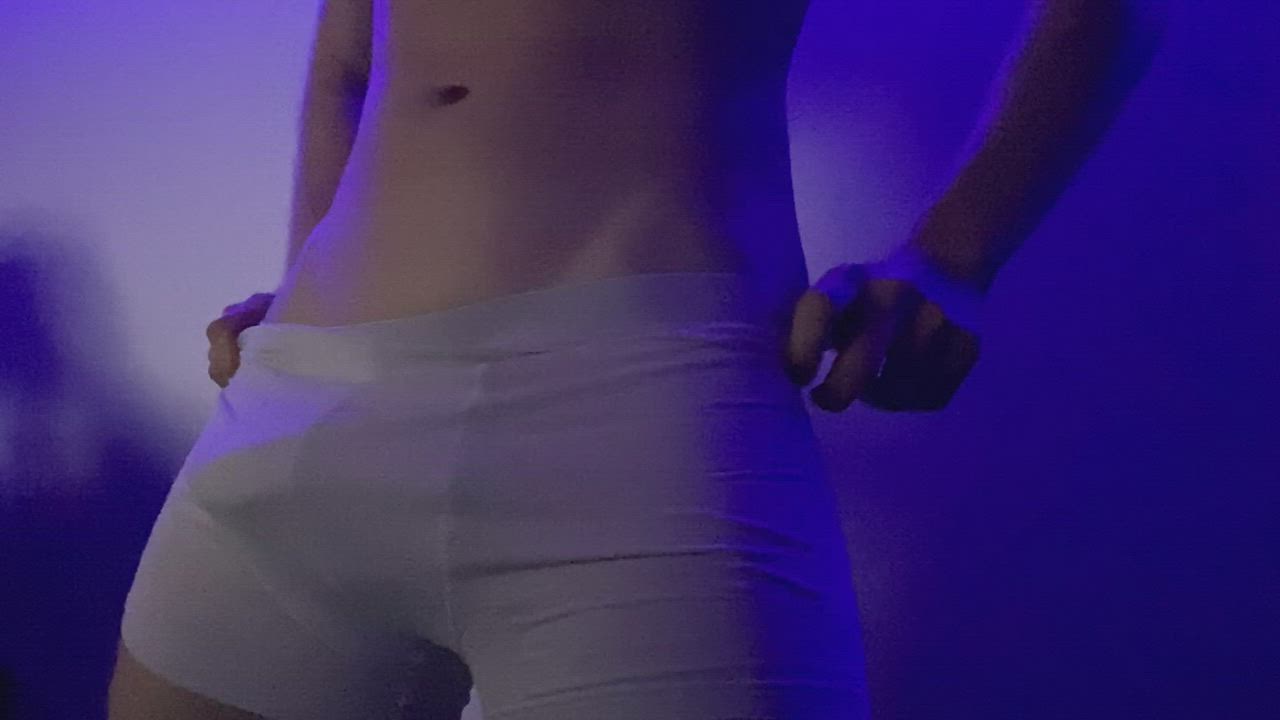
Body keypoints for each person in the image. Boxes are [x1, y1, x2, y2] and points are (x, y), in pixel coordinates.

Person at [108, 1, 1164, 718]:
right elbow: (355, 55)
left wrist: (953, 257)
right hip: (300, 426)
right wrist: (305, 292)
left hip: (644, 428)